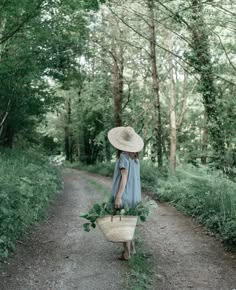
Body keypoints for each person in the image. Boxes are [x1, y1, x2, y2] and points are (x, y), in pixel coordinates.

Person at [108, 126, 144, 261]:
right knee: (130, 223)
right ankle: (132, 248)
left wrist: (118, 196)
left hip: (125, 196)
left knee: (123, 225)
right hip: (135, 196)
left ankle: (126, 253)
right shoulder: (135, 159)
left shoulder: (123, 156)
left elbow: (124, 178)